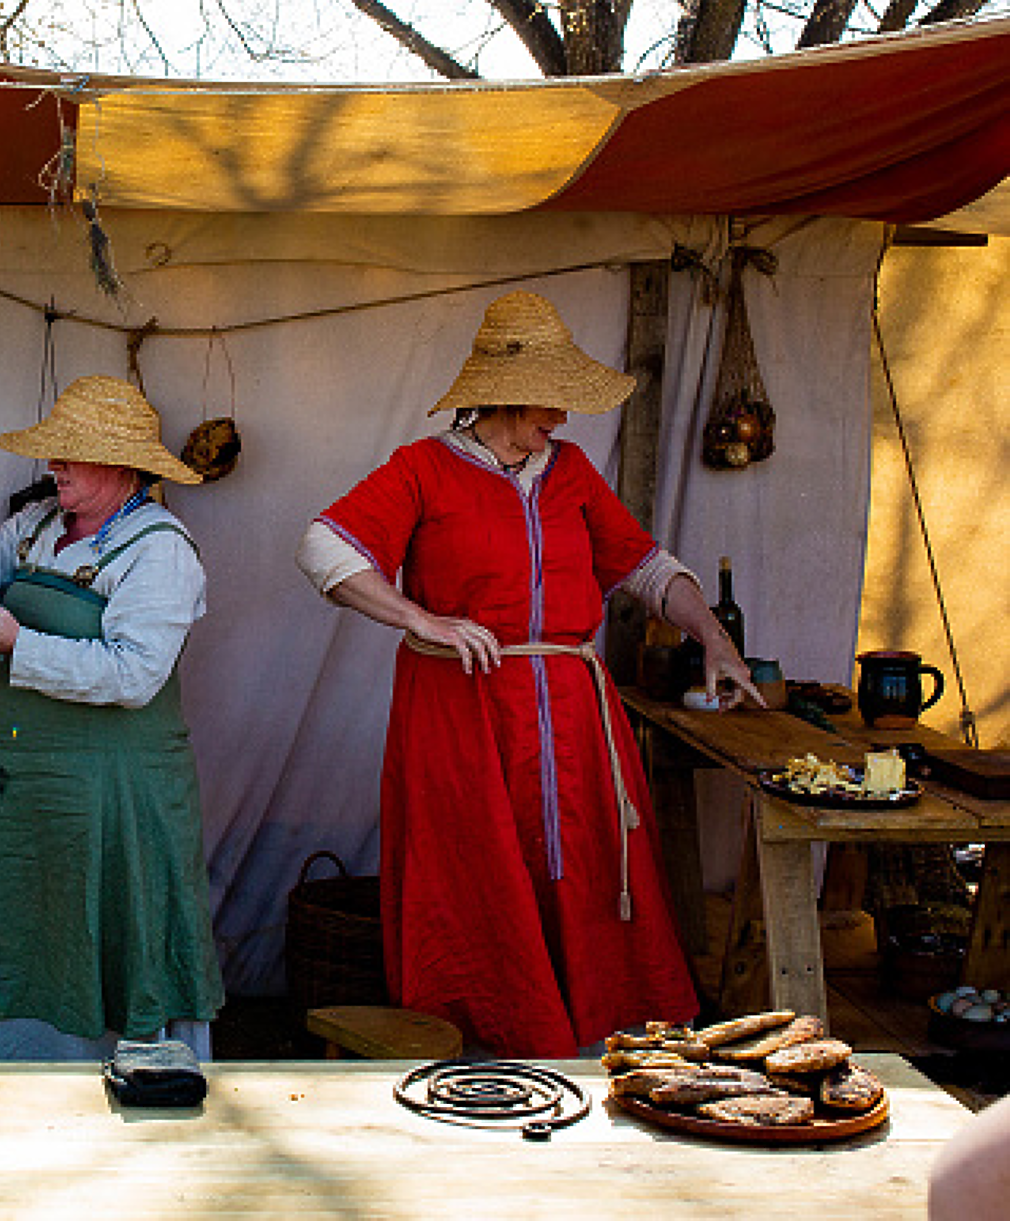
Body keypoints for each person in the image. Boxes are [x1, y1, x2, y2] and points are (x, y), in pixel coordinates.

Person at [296, 290, 761, 1059]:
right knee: (474, 870)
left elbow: (644, 566)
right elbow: (325, 547)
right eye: (554, 400)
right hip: (463, 711)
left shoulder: (570, 471)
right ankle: (487, 1047)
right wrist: (420, 616)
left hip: (573, 720)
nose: (566, 419)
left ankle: (593, 1042)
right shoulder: (423, 470)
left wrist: (713, 636)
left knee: (580, 860)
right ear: (507, 395)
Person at [0, 373, 226, 1061]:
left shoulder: (161, 549)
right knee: (17, 925)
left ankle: (125, 1083)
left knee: (108, 931)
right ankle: (6, 1084)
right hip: (25, 787)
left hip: (116, 793)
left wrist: (20, 641)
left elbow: (134, 673)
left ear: (119, 464)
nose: (54, 467)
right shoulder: (38, 524)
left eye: (69, 454)